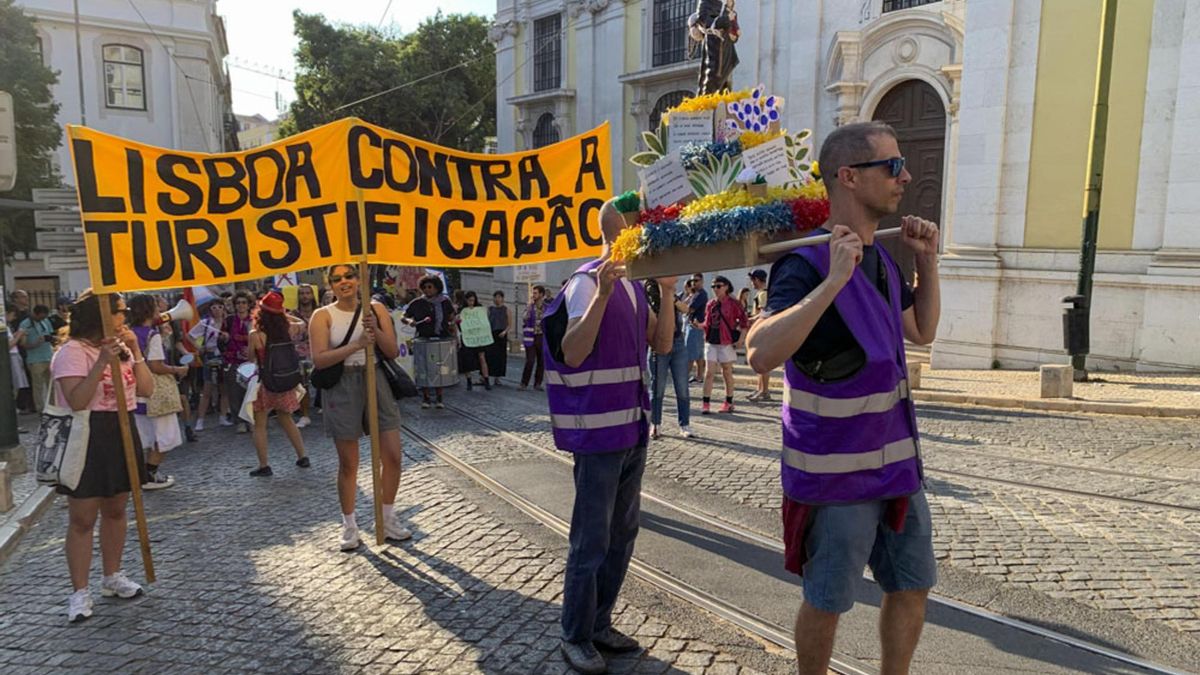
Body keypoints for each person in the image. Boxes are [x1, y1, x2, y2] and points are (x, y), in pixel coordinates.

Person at [745, 121, 941, 675]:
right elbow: (759, 352)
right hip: (835, 480)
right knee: (828, 600)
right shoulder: (802, 263)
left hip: (898, 469)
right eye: (892, 167)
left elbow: (920, 331)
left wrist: (926, 259)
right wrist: (831, 282)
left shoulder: (882, 258)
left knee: (912, 586)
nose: (905, 177)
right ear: (850, 177)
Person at [546, 199, 677, 674]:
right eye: (637, 230)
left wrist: (665, 291)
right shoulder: (586, 282)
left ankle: (599, 623)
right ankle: (575, 634)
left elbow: (661, 345)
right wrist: (601, 295)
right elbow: (573, 351)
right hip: (598, 435)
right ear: (616, 234)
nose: (644, 236)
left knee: (622, 534)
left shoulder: (638, 287)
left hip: (631, 429)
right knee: (591, 538)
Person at [51, 291, 154, 623]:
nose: (124, 316)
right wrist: (100, 362)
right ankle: (79, 592)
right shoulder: (71, 352)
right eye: (120, 311)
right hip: (88, 434)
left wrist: (135, 352)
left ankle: (112, 575)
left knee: (116, 508)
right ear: (101, 316)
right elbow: (77, 400)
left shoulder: (123, 349)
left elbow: (147, 389)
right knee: (82, 518)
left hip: (120, 430)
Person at [310, 264, 410, 550]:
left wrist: (375, 330)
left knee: (392, 455)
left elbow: (391, 350)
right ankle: (350, 525)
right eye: (337, 278)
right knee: (349, 462)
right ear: (330, 284)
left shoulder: (377, 309)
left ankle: (387, 517)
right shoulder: (322, 316)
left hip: (375, 377)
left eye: (349, 276)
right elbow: (320, 360)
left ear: (360, 279)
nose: (344, 282)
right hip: (343, 385)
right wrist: (356, 345)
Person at [247, 291, 309, 476]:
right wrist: (283, 313)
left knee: (259, 424)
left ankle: (264, 465)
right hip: (285, 380)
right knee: (287, 418)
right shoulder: (288, 329)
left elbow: (251, 358)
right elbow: (303, 324)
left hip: (265, 382)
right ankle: (302, 456)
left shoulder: (255, 334)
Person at [127, 294, 184, 490]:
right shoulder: (153, 334)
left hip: (135, 390)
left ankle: (142, 473)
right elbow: (156, 365)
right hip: (154, 391)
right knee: (165, 436)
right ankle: (150, 473)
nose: (160, 311)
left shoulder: (129, 333)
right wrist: (177, 370)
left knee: (146, 435)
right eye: (156, 308)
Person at [645, 279, 693, 439]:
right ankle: (655, 424)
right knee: (657, 387)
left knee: (682, 387)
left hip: (678, 342)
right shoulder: (650, 291)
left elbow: (686, 309)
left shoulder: (671, 292)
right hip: (658, 345)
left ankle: (684, 425)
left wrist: (670, 296)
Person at [403, 274, 456, 408]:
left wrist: (452, 324)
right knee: (424, 368)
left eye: (430, 287)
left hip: (441, 338)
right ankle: (426, 398)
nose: (427, 290)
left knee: (439, 367)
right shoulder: (417, 303)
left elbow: (451, 316)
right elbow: (405, 316)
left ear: (437, 288)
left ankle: (439, 397)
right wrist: (410, 321)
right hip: (423, 338)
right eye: (425, 287)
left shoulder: (445, 301)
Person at [700, 275, 748, 414]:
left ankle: (728, 402)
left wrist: (740, 340)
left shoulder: (734, 303)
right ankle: (706, 403)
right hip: (711, 341)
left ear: (726, 286)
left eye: (718, 286)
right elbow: (707, 323)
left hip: (726, 342)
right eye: (713, 286)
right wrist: (699, 326)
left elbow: (744, 323)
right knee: (709, 372)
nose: (715, 289)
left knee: (726, 371)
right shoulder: (710, 304)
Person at [189, 301, 228, 431]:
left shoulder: (227, 322)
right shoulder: (206, 323)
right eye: (214, 307)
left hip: (224, 356)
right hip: (210, 356)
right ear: (210, 309)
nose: (217, 309)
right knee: (207, 389)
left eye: (220, 307)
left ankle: (223, 416)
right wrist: (199, 347)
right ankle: (200, 420)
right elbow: (190, 335)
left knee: (224, 389)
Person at [223, 291, 255, 432]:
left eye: (244, 303)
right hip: (233, 359)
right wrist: (223, 338)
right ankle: (239, 421)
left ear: (249, 305)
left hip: (251, 360)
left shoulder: (254, 320)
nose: (241, 305)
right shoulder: (229, 320)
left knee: (251, 391)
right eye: (238, 303)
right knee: (235, 392)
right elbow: (221, 340)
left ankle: (251, 419)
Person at [18, 304, 56, 413]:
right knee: (38, 386)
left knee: (52, 385)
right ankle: (40, 408)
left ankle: (53, 407)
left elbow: (50, 334)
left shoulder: (46, 321)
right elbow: (23, 344)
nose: (42, 319)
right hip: (35, 359)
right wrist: (35, 343)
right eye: (41, 317)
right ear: (35, 313)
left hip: (48, 356)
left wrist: (51, 339)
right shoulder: (25, 324)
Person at [291, 284, 318, 427]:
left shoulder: (319, 312)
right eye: (302, 293)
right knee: (303, 384)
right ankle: (305, 415)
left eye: (308, 293)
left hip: (319, 351)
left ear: (312, 295)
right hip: (300, 354)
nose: (305, 296)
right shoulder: (293, 315)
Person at [457, 291, 492, 391]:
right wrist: (457, 320)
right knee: (467, 360)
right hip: (467, 338)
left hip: (478, 337)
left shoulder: (479, 309)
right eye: (469, 300)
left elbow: (484, 321)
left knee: (482, 357)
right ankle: (469, 381)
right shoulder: (462, 310)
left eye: (473, 300)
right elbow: (458, 324)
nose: (471, 303)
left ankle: (486, 380)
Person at [747, 269, 772, 401]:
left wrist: (751, 319)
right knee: (758, 362)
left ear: (756, 279)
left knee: (762, 363)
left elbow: (763, 314)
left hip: (762, 331)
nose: (752, 283)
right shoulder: (762, 293)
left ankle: (764, 390)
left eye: (752, 280)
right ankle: (759, 388)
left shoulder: (763, 294)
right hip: (761, 331)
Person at [520, 285, 547, 390]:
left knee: (541, 361)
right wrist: (529, 307)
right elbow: (524, 318)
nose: (533, 295)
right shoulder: (530, 306)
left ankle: (537, 383)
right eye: (533, 293)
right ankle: (524, 383)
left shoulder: (547, 307)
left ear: (541, 294)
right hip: (530, 337)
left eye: (535, 293)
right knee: (530, 360)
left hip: (542, 337)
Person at [684, 274, 708, 383]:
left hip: (695, 325)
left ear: (702, 281)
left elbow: (690, 309)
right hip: (695, 325)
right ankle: (699, 376)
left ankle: (684, 376)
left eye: (696, 280)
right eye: (692, 281)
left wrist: (680, 306)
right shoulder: (695, 294)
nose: (694, 283)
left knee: (690, 352)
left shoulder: (701, 294)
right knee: (698, 353)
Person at [486, 291, 511, 386]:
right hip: (491, 333)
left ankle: (497, 377)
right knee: (489, 355)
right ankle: (486, 375)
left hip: (501, 334)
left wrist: (505, 332)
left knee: (500, 356)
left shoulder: (506, 309)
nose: (497, 299)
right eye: (495, 297)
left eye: (499, 297)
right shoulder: (490, 309)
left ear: (502, 298)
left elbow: (509, 324)